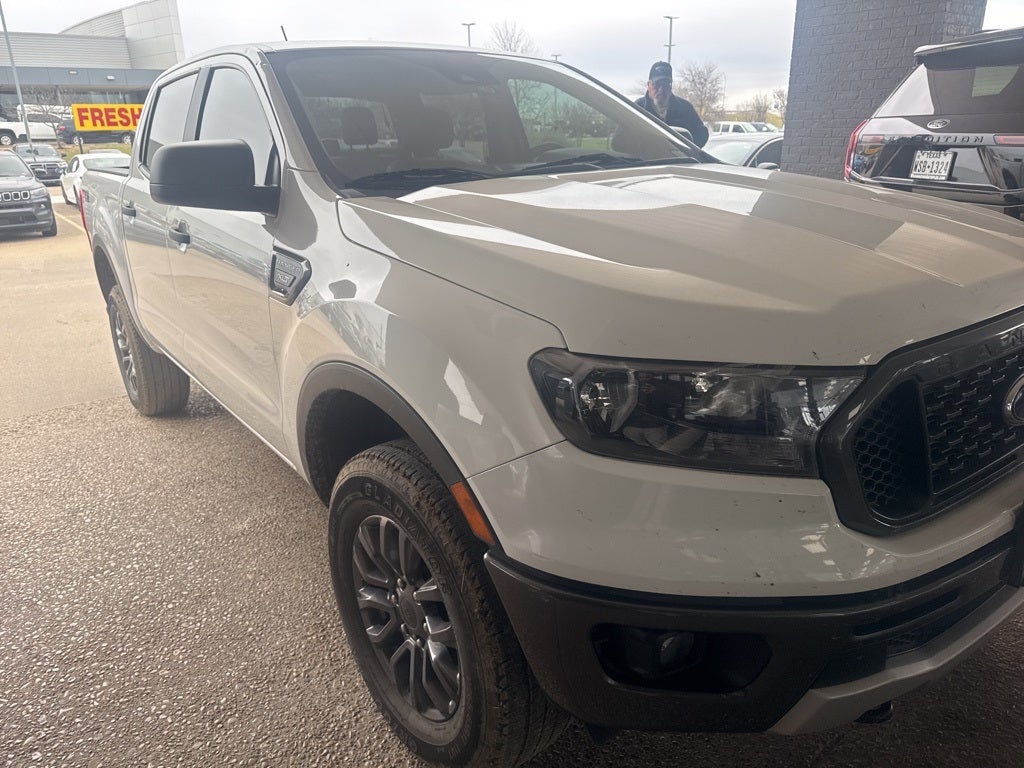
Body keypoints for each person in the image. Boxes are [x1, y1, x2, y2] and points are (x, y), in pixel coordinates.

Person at [634, 61, 709, 147]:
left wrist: (688, 151)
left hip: (678, 160)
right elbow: (622, 138)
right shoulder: (638, 109)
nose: (661, 89)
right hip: (647, 159)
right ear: (649, 84)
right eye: (657, 84)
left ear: (671, 86)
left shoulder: (685, 108)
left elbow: (702, 134)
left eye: (666, 84)